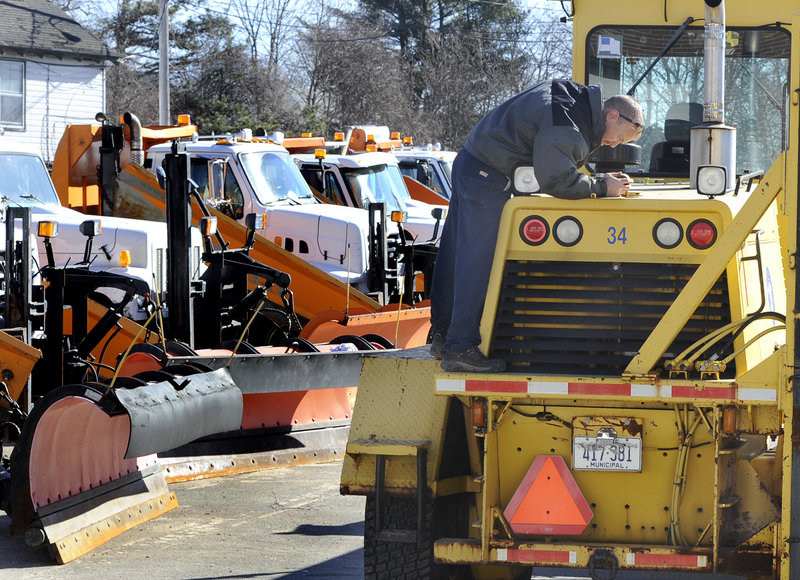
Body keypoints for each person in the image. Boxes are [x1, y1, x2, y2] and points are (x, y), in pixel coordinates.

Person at [429, 79, 644, 373]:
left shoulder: (571, 97)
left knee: (456, 251)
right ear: (612, 116)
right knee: (478, 261)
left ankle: (441, 335)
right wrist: (601, 187)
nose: (615, 145)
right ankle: (460, 348)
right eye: (620, 137)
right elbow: (555, 178)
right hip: (487, 174)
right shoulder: (568, 126)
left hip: (473, 161)